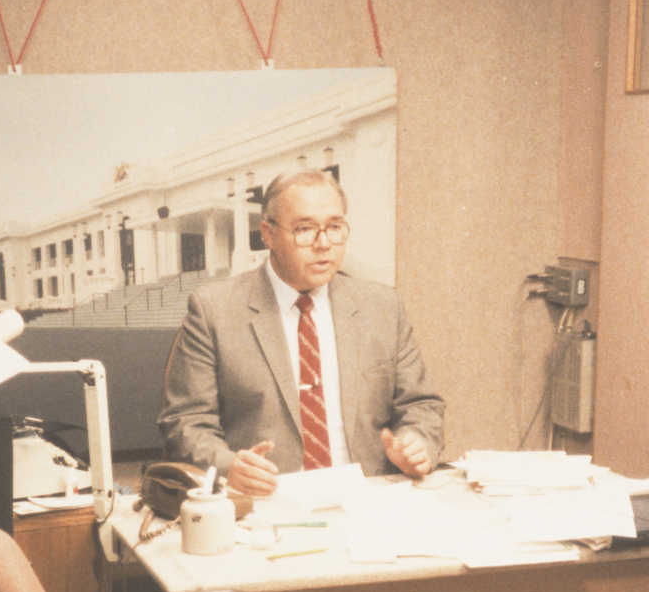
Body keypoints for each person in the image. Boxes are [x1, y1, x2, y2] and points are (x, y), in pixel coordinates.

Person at [158, 169, 445, 497]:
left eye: (335, 227)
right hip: (269, 504)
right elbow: (186, 422)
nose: (324, 244)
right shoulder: (214, 311)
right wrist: (228, 466)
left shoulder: (383, 306)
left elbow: (421, 404)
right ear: (268, 234)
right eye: (305, 229)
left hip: (371, 496)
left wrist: (417, 443)